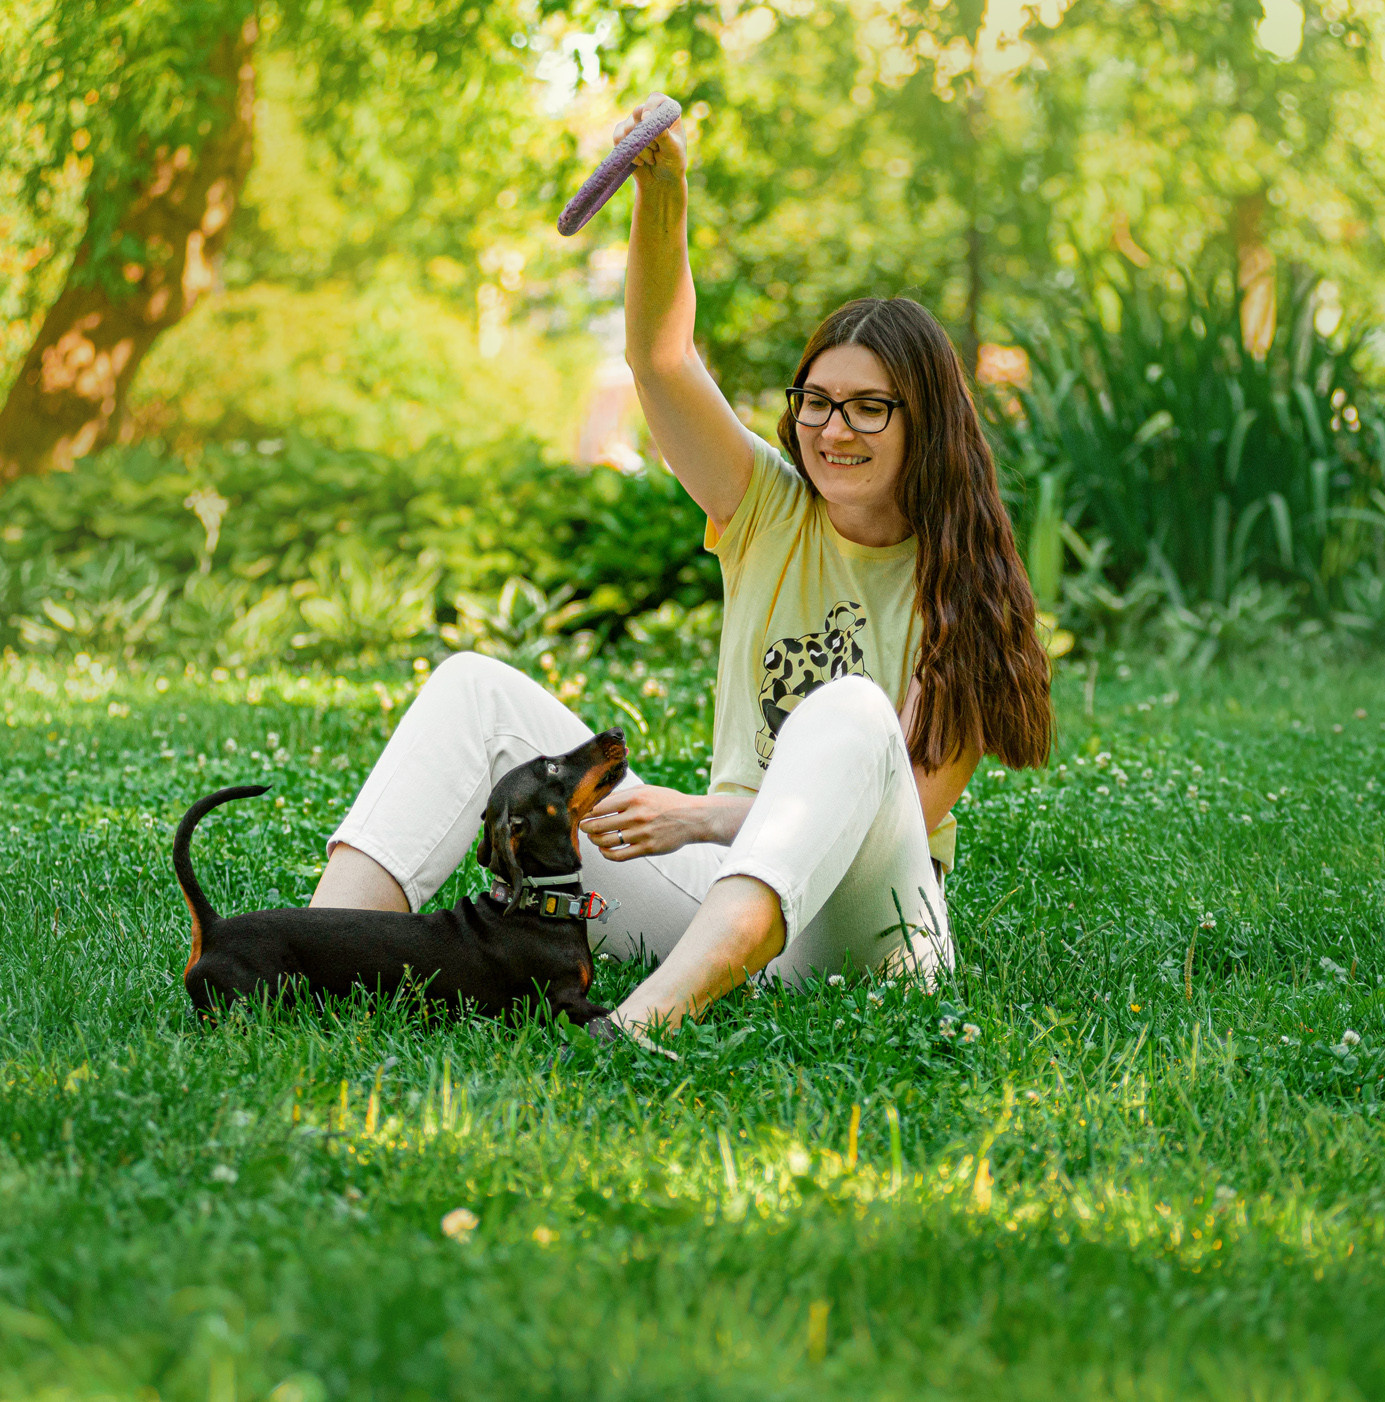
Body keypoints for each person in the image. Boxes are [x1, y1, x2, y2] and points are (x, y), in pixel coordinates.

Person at [307, 96, 1051, 1040]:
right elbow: (661, 360)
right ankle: (321, 956)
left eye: (869, 408)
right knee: (474, 691)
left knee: (851, 711)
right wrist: (664, 193)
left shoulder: (967, 595)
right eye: (816, 402)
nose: (832, 429)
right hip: (721, 898)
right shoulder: (769, 512)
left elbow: (896, 806)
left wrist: (701, 817)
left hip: (873, 937)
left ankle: (637, 1025)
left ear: (925, 424)